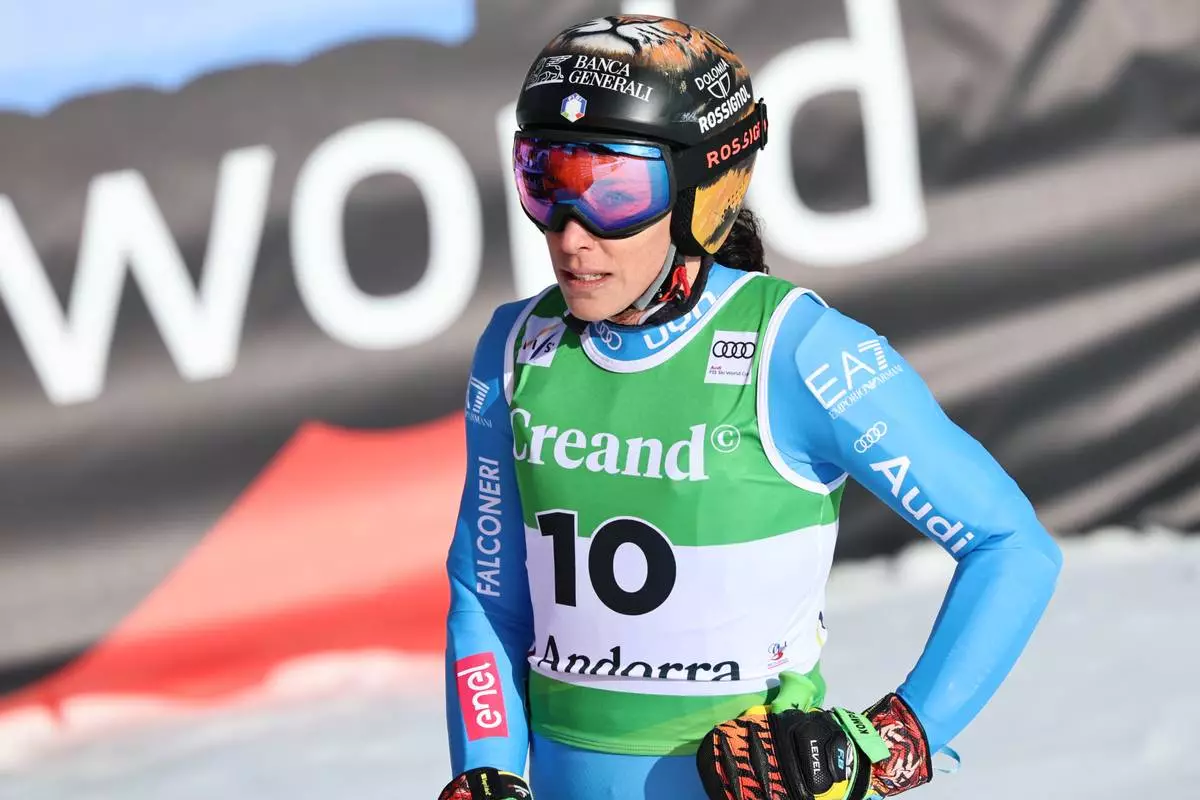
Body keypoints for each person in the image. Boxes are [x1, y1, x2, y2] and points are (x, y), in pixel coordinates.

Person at [440, 14, 1062, 800]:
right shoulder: (513, 349)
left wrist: (890, 742)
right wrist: (486, 768)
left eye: (615, 191)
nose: (571, 235)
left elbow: (1012, 546)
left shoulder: (797, 349)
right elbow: (488, 595)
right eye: (545, 179)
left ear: (705, 189)